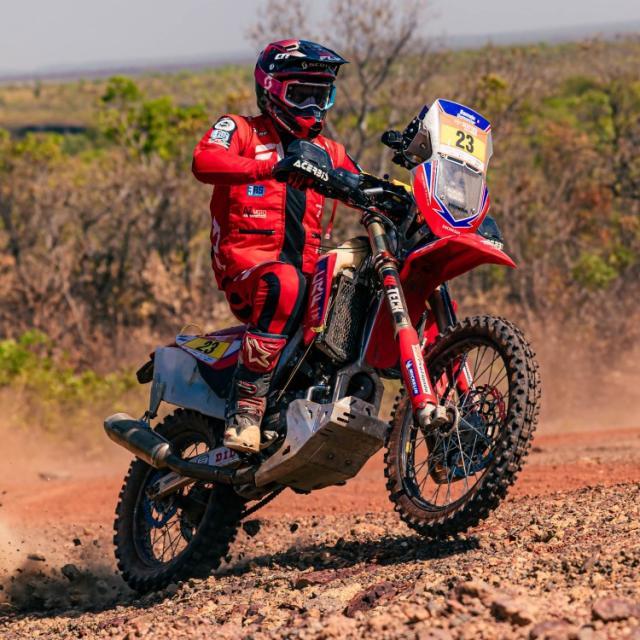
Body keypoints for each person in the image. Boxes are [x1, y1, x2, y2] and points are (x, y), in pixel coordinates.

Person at [192, 40, 360, 454]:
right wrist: (272, 167)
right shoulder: (240, 129)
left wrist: (410, 197)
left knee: (360, 281)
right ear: (270, 90)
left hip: (307, 275)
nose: (313, 107)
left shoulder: (328, 152)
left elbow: (363, 184)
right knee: (285, 282)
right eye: (301, 95)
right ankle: (246, 407)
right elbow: (204, 161)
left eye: (321, 96)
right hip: (248, 270)